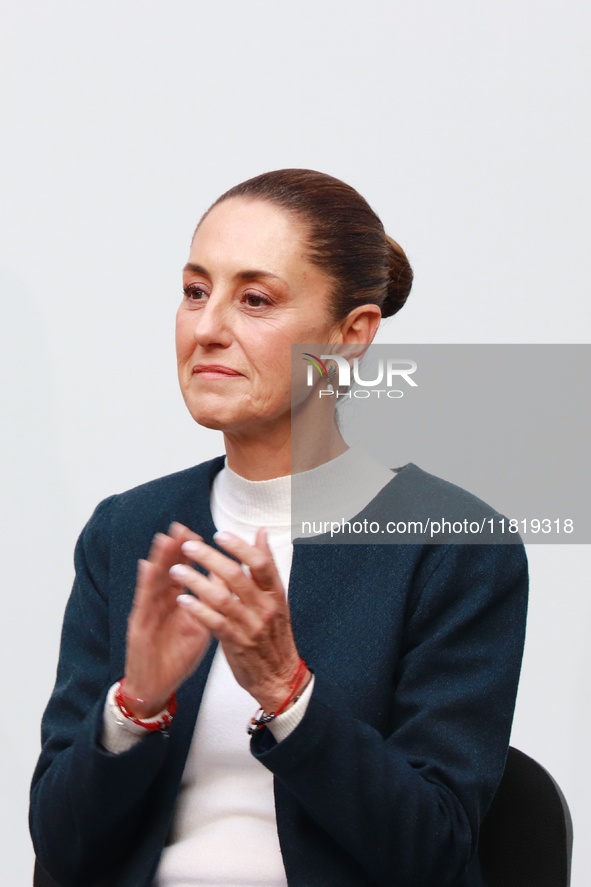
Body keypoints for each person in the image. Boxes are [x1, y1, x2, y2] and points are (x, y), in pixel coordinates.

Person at [30, 169, 528, 887]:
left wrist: (287, 692)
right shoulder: (127, 530)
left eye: (254, 299)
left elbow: (433, 851)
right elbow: (61, 849)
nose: (206, 328)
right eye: (195, 291)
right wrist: (133, 708)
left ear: (350, 336)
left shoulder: (450, 545)